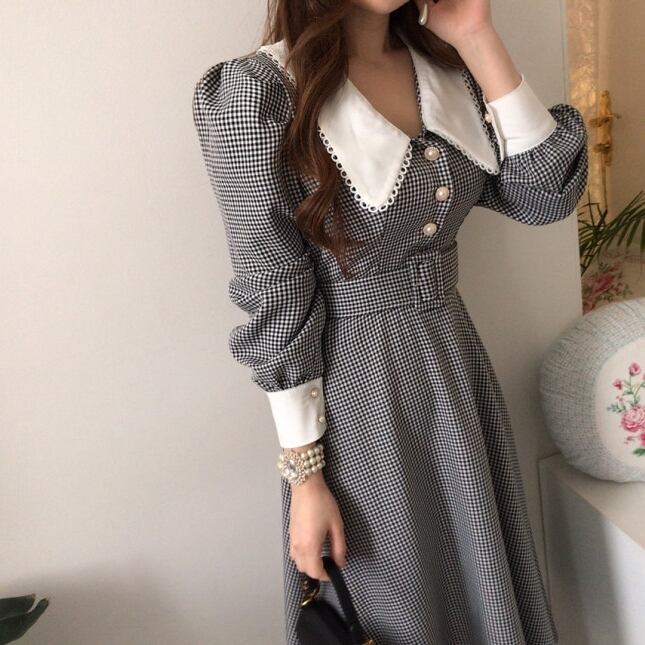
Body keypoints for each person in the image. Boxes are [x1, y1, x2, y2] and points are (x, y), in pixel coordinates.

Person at [192, 0, 588, 642]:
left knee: (481, 589)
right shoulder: (256, 92)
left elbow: (544, 194)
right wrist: (305, 476)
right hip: (357, 399)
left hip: (455, 370)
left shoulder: (443, 69)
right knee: (395, 602)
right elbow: (274, 289)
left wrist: (476, 36)